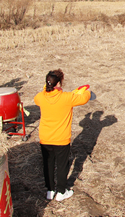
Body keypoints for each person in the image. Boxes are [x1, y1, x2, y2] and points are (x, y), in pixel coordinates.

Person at [34, 69, 92, 202]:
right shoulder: (67, 97)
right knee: (62, 165)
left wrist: (47, 87)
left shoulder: (41, 97)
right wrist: (87, 91)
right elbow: (83, 99)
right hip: (61, 139)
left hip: (45, 138)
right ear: (59, 83)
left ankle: (50, 190)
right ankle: (61, 191)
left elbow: (37, 98)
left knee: (48, 164)